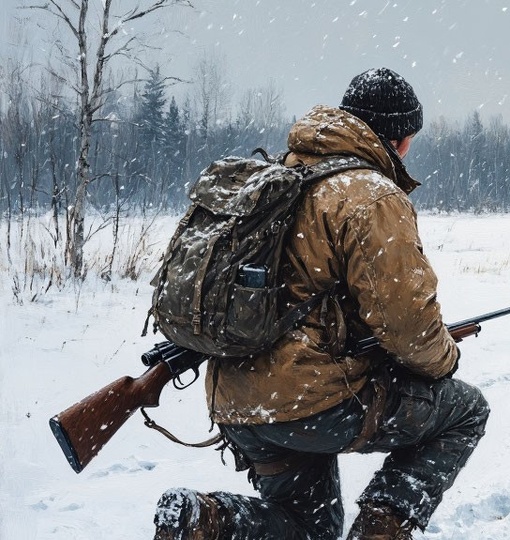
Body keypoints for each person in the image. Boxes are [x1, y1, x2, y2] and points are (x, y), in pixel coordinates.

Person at [153, 68, 490, 540]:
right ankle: (379, 530)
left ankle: (203, 521)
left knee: (306, 530)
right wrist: (444, 359)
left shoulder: (286, 174)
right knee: (466, 409)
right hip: (310, 401)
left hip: (238, 399)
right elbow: (408, 323)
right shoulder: (369, 195)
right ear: (401, 138)